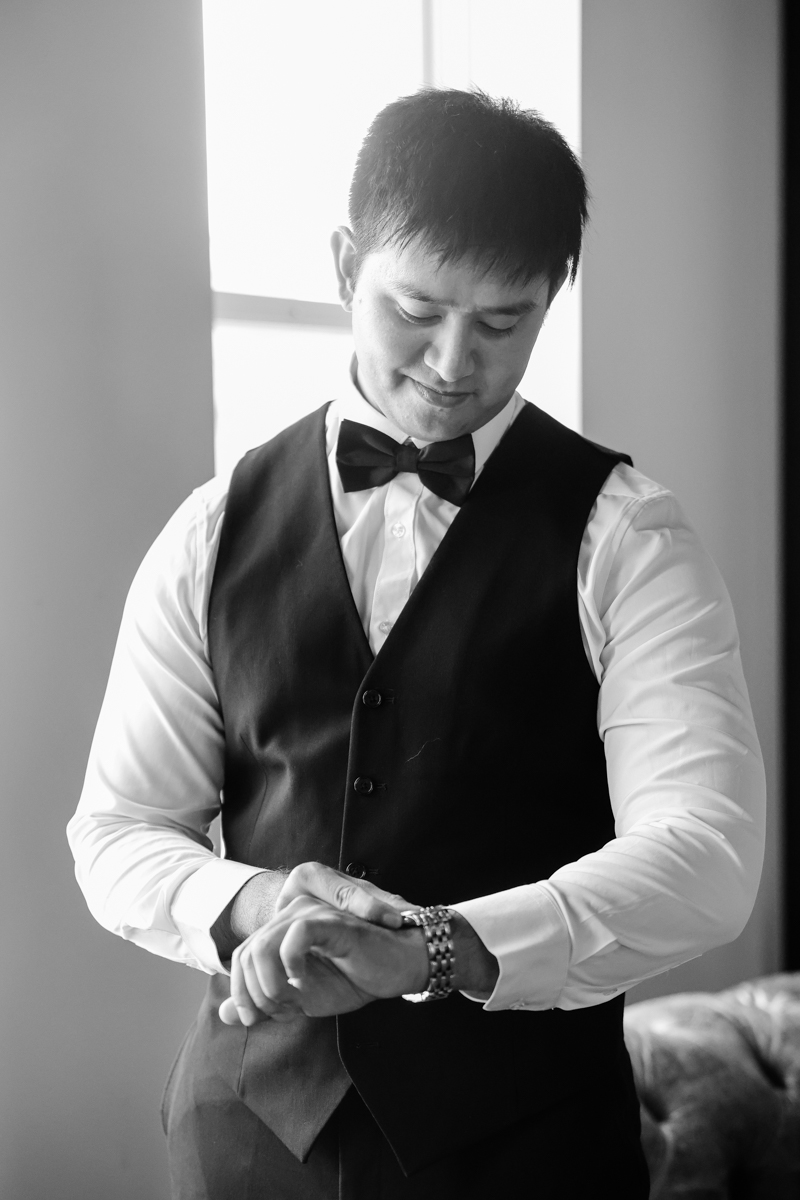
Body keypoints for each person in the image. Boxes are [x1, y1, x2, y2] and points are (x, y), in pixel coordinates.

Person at [68, 88, 765, 1199]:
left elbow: (706, 852)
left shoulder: (630, 540)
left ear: (552, 299)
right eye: (417, 308)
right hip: (247, 1138)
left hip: (527, 1150)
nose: (452, 361)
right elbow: (119, 831)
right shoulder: (209, 530)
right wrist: (261, 905)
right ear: (347, 266)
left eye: (503, 322)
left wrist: (441, 946)